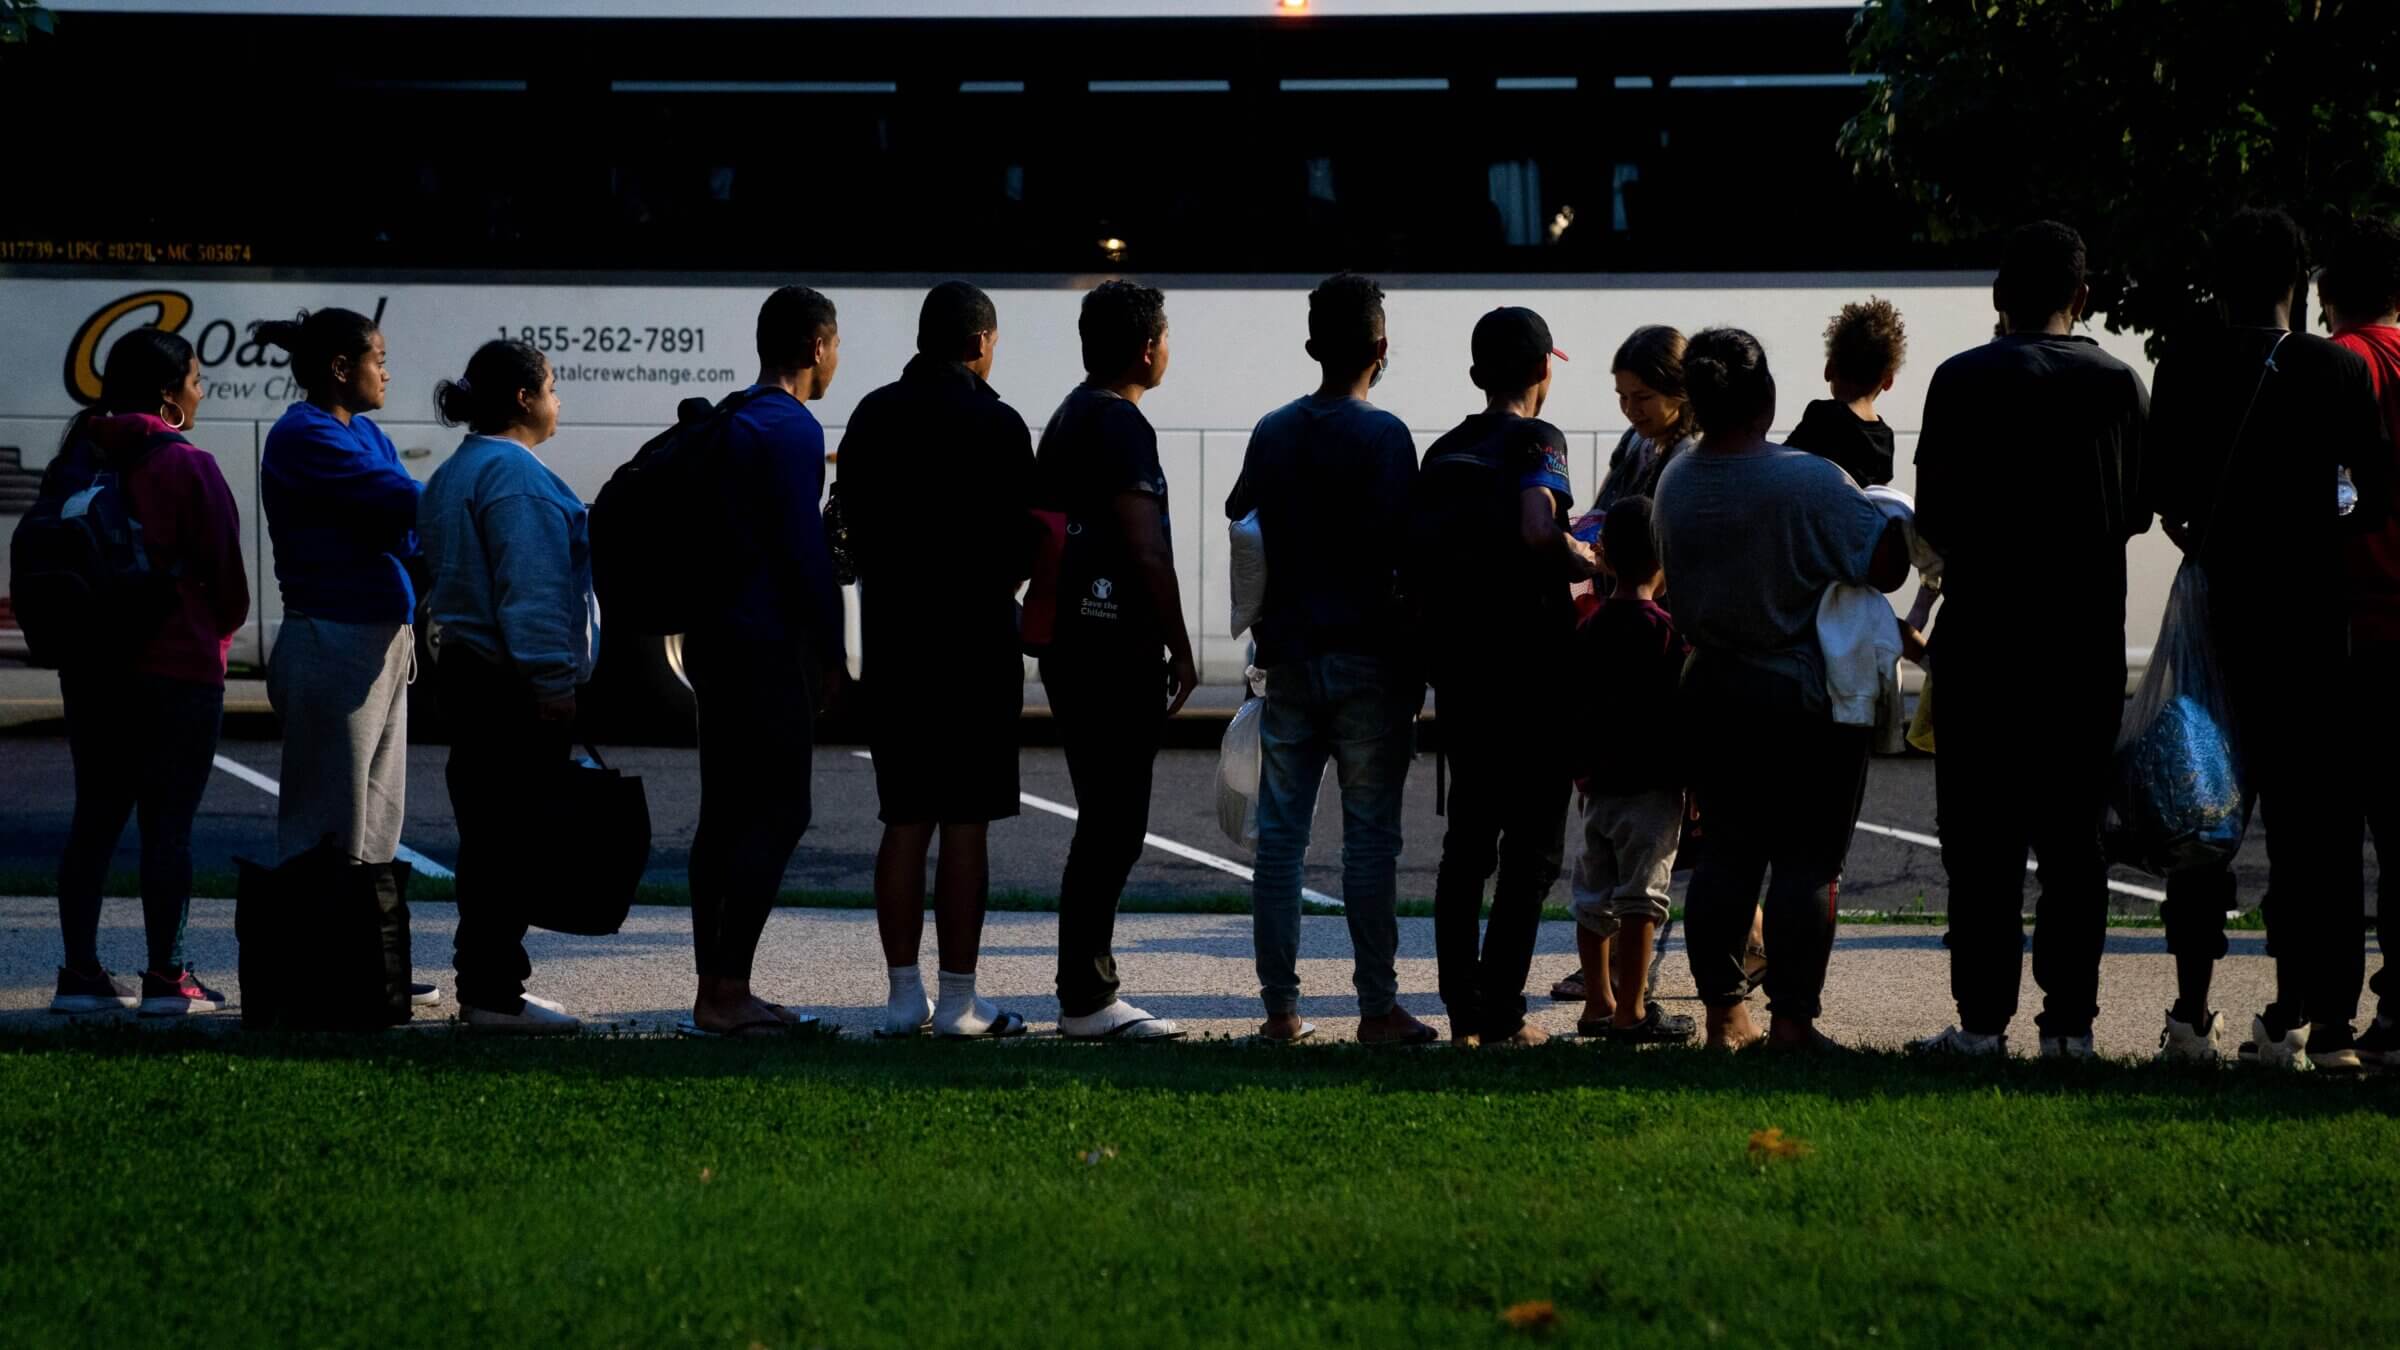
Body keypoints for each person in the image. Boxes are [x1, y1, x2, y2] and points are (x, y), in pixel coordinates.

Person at [2144, 209, 2390, 1069]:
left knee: (2201, 815)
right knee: (2314, 831)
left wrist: (2203, 539)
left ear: (2218, 274)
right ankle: (2314, 1021)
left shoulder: (2182, 363)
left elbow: (2160, 494)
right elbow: (2380, 492)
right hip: (2312, 626)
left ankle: (2190, 1012)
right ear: (2297, 276)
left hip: (2217, 619)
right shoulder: (2331, 368)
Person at [1908, 222, 2151, 1061]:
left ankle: (1981, 1024)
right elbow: (2135, 514)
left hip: (1982, 645)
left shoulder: (1959, 380)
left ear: (1997, 299)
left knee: (1982, 844)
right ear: (2081, 298)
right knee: (2074, 846)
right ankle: (2071, 1028)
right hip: (2083, 646)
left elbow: (1932, 521)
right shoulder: (2121, 384)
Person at [1654, 327, 1906, 1053]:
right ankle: (1793, 1020)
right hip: (1798, 697)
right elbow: (1886, 563)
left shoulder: (1676, 479)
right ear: (1765, 399)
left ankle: (1724, 1018)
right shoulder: (1808, 480)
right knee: (1807, 862)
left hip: (1708, 687)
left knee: (1728, 855)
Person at [1224, 272, 1435, 1046]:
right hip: (1366, 661)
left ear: (1311, 345)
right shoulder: (1384, 437)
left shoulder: (1273, 428)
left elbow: (1239, 510)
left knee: (1280, 839)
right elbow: (1403, 558)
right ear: (1380, 349)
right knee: (1369, 840)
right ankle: (1376, 1007)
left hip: (1285, 653)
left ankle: (1281, 1009)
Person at [839, 282, 1034, 1040]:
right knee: (965, 825)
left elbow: (847, 526)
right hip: (977, 645)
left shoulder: (873, 416)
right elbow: (1026, 543)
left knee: (904, 819)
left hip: (895, 644)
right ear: (981, 341)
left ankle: (899, 996)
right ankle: (959, 1001)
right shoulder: (998, 423)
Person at [41, 328, 249, 1016]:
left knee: (94, 820)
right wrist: (212, 631)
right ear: (169, 393)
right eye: (194, 378)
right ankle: (168, 978)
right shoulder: (187, 463)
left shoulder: (79, 454)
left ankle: (79, 975)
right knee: (169, 828)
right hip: (177, 671)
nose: (200, 388)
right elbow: (228, 582)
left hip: (93, 670)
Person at [1409, 306, 1599, 1048]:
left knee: (1466, 846)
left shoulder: (1444, 452)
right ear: (1543, 372)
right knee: (1532, 851)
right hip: (1533, 672)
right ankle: (1503, 1012)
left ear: (1475, 373)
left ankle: (1462, 1010)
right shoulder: (1538, 439)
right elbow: (1533, 526)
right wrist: (1580, 557)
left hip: (1462, 671)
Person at [255, 307, 438, 1009]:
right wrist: (457, 493)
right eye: (379, 358)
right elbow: (396, 501)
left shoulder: (365, 433)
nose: (387, 371)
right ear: (340, 367)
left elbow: (405, 530)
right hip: (332, 639)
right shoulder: (304, 435)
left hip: (379, 639)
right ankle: (318, 974)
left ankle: (370, 965)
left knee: (378, 816)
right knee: (328, 819)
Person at [1031, 279, 1194, 1040]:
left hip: (1069, 640)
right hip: (1111, 644)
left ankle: (1084, 991)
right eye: (1165, 336)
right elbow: (1143, 544)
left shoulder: (1068, 416)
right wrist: (1182, 645)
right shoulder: (1123, 425)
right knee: (1115, 822)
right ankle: (1087, 998)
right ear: (1146, 347)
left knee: (1103, 815)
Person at [682, 285, 846, 1037]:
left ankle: (713, 987)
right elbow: (805, 561)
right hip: (766, 646)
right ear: (816, 347)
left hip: (713, 643)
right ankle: (729, 990)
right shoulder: (791, 427)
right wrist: (834, 659)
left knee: (723, 816)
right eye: (835, 345)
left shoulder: (730, 417)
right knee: (782, 810)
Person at [417, 339, 594, 1034]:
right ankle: (495, 995)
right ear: (524, 398)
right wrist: (553, 681)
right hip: (510, 683)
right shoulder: (516, 477)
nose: (557, 401)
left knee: (487, 839)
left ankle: (490, 987)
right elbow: (534, 592)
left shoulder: (456, 471)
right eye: (551, 387)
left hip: (466, 673)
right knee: (509, 844)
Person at [1565, 494, 1693, 1043]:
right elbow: (1682, 717)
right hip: (1653, 789)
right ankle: (1633, 1010)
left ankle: (1598, 1000)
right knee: (1641, 899)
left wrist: (1581, 775)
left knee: (1594, 898)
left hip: (1599, 787)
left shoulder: (1588, 629)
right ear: (1665, 558)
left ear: (1605, 558)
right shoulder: (1668, 633)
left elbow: (1576, 712)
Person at [2321, 215, 2400, 1066]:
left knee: (2339, 834)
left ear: (2327, 294)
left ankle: (2333, 1013)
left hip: (2359, 623)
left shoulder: (2343, 368)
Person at [1784, 298, 1906, 488]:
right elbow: (1880, 494)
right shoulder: (1885, 437)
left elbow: (1784, 461)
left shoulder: (1822, 416)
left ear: (1829, 369)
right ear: (1888, 380)